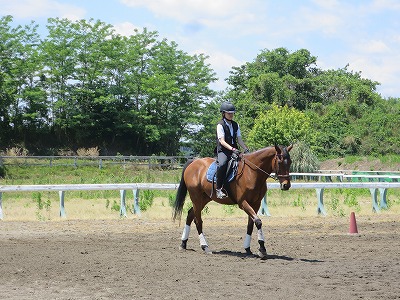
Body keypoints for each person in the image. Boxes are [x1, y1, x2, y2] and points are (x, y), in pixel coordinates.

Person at [215, 101, 249, 199]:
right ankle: (218, 189)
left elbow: (239, 140)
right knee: (222, 164)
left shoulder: (235, 125)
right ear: (223, 113)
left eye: (232, 113)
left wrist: (246, 148)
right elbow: (222, 141)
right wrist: (232, 148)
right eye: (228, 113)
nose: (231, 115)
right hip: (223, 151)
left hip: (234, 150)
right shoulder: (220, 125)